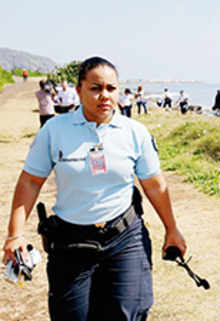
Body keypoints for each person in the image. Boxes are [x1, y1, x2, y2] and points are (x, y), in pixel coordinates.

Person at [2, 56, 186, 321]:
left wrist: (172, 229)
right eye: (95, 88)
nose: (105, 96)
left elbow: (155, 186)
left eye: (111, 88)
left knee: (128, 313)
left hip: (125, 238)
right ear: (78, 90)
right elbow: (30, 182)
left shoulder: (134, 132)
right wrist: (14, 234)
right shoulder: (55, 130)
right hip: (70, 241)